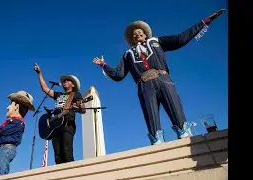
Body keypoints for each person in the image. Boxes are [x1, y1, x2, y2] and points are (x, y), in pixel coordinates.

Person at [92, 9, 226, 145]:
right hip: (144, 84)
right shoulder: (128, 54)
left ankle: (185, 136)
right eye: (134, 34)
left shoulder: (156, 41)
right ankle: (157, 143)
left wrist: (204, 22)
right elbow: (118, 74)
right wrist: (104, 64)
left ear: (145, 35)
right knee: (151, 117)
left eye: (140, 32)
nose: (137, 34)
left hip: (164, 79)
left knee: (176, 110)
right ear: (132, 39)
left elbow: (180, 39)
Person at [34, 63, 86, 164]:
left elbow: (83, 109)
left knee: (67, 154)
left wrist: (78, 107)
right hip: (55, 126)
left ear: (73, 84)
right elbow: (44, 88)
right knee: (57, 156)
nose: (65, 81)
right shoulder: (59, 94)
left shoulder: (76, 94)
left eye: (68, 80)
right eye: (64, 81)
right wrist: (39, 73)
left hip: (67, 125)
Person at [0, 90, 35, 177]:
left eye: (10, 104)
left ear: (16, 107)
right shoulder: (14, 122)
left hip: (6, 149)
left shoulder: (17, 122)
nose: (7, 107)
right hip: (3, 149)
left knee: (0, 173)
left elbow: (1, 131)